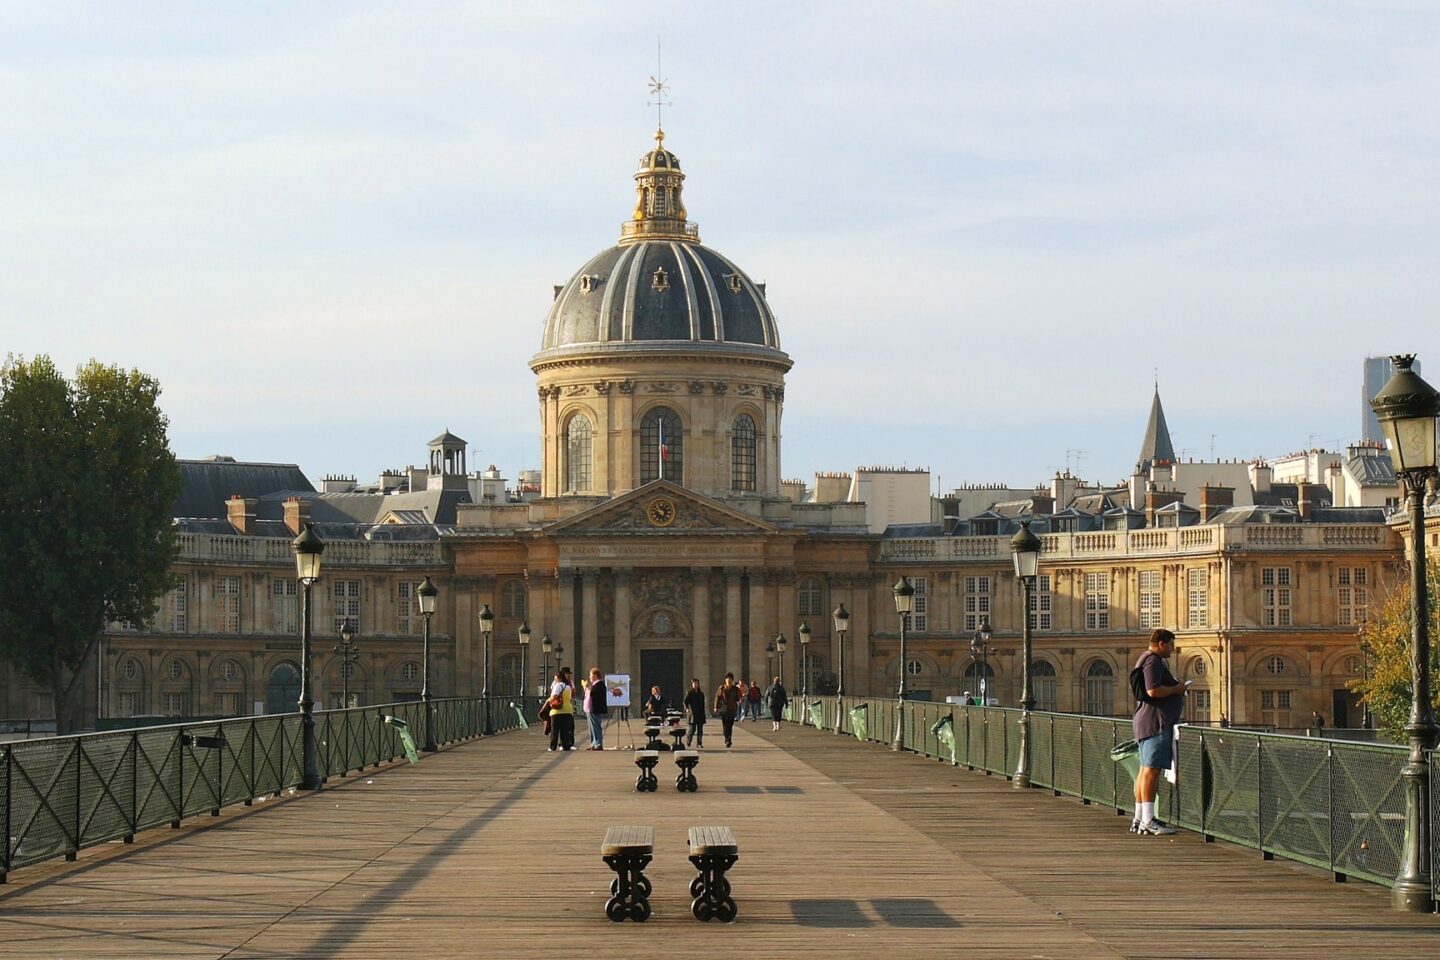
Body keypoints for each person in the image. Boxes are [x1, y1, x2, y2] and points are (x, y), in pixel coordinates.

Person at [1131, 628, 1186, 835]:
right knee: (1151, 771)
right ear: (1162, 643)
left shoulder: (1145, 659)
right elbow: (1153, 690)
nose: (1173, 649)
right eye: (1171, 644)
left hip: (1149, 721)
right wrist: (1177, 689)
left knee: (1145, 771)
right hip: (1156, 722)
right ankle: (1148, 820)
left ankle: (1139, 818)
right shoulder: (1153, 660)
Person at [548, 668, 576, 752]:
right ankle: (566, 746)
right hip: (568, 710)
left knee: (555, 730)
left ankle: (553, 747)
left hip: (557, 710)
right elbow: (570, 696)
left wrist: (548, 701)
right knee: (565, 729)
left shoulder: (558, 685)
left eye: (555, 677)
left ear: (558, 678)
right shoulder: (568, 686)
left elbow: (554, 696)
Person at [583, 667, 608, 750]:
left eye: (591, 675)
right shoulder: (594, 685)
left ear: (595, 675)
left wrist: (589, 689)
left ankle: (598, 743)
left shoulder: (599, 684)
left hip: (595, 708)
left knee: (596, 726)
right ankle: (593, 743)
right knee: (591, 727)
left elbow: (595, 695)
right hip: (591, 708)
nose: (589, 677)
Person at [714, 672, 741, 747]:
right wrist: (716, 707)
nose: (729, 680)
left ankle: (728, 738)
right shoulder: (721, 688)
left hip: (732, 709)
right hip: (724, 709)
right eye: (727, 679)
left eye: (730, 679)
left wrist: (740, 700)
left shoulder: (736, 689)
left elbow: (739, 697)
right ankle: (727, 739)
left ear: (732, 680)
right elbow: (717, 698)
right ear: (725, 680)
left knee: (730, 724)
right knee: (725, 725)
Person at [683, 678, 707, 748]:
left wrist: (704, 714)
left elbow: (702, 704)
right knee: (692, 729)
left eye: (697, 683)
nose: (696, 685)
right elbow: (685, 702)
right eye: (694, 683)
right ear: (692, 685)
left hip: (700, 713)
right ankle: (688, 741)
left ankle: (699, 743)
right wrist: (686, 708)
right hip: (693, 713)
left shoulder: (701, 694)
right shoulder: (689, 693)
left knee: (700, 730)